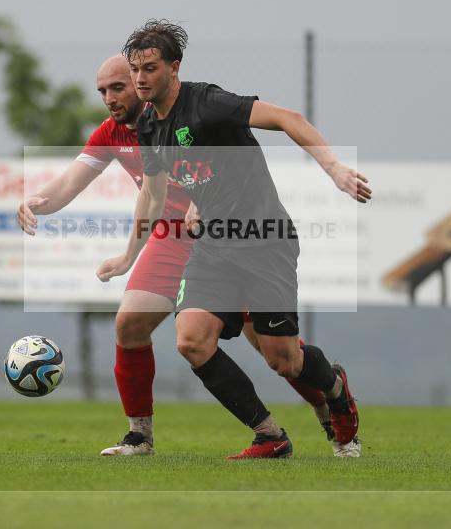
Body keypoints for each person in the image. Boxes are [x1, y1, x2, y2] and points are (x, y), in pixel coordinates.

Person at [18, 56, 347, 456]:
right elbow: (73, 181)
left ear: (147, 82)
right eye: (103, 91)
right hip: (171, 240)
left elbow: (228, 164)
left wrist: (203, 204)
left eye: (118, 87)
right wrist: (38, 202)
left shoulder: (189, 116)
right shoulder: (112, 133)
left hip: (224, 239)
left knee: (273, 350)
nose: (110, 97)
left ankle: (327, 405)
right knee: (130, 324)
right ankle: (142, 436)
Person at [97, 20, 371, 458]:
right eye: (135, 70)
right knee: (191, 339)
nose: (141, 78)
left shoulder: (208, 103)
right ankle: (269, 435)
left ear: (174, 68)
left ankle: (336, 389)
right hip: (213, 247)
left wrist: (335, 168)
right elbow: (152, 192)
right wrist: (130, 255)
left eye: (150, 68)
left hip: (265, 240)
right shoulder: (149, 126)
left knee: (284, 359)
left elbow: (287, 118)